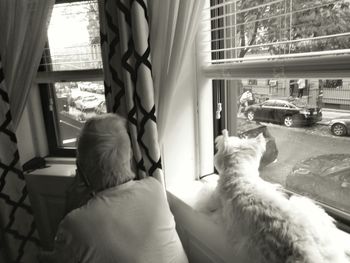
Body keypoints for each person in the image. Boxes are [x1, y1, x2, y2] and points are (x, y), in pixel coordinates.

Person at [39, 113, 188, 263]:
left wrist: (70, 206)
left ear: (80, 168)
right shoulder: (154, 188)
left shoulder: (76, 223)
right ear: (130, 156)